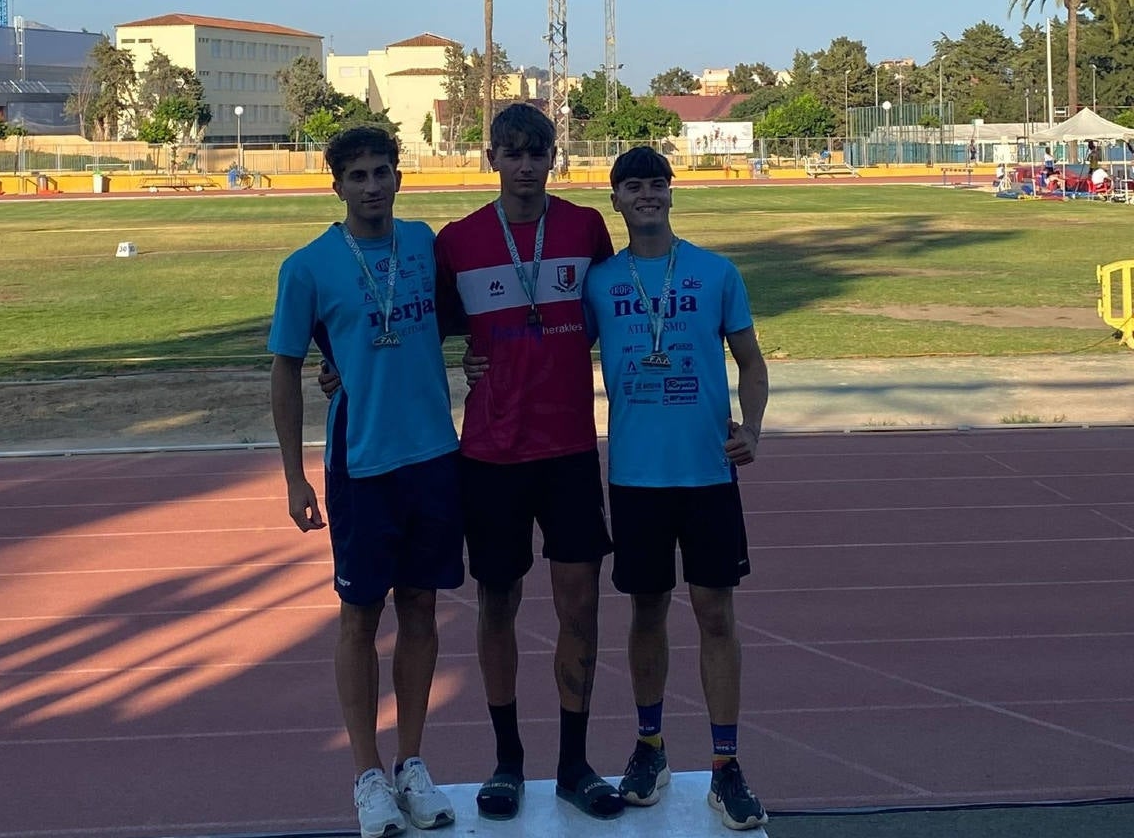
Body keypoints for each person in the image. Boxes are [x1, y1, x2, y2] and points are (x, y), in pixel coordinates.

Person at [324, 103, 621, 821]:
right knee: (497, 603)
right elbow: (414, 323)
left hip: (572, 447)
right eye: (513, 153)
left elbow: (617, 312)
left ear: (555, 157)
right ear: (491, 158)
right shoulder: (457, 242)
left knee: (581, 605)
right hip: (490, 452)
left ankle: (576, 763)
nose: (526, 165)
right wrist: (343, 370)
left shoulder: (586, 229)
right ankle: (507, 761)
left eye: (538, 152)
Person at [269, 126, 463, 838]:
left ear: (399, 178)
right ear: (337, 185)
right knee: (360, 617)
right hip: (362, 465)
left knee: (422, 609)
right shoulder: (308, 267)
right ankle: (367, 775)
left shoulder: (423, 245)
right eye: (357, 175)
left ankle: (412, 764)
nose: (373, 185)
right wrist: (293, 476)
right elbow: (287, 370)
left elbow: (460, 320)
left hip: (435, 456)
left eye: (383, 171)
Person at [581, 147, 770, 831]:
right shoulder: (600, 283)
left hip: (707, 474)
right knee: (646, 613)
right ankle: (650, 746)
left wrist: (752, 427)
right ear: (618, 200)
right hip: (636, 475)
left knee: (716, 612)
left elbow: (751, 362)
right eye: (634, 186)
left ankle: (726, 764)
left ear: (670, 192)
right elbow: (549, 356)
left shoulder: (716, 273)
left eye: (658, 184)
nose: (649, 195)